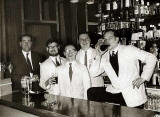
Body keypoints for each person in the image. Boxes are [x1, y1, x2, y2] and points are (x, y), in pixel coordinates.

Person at [87, 29, 157, 108]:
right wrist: (98, 55)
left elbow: (151, 58)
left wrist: (143, 77)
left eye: (110, 38)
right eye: (105, 39)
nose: (107, 41)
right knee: (91, 92)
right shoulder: (104, 56)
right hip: (117, 93)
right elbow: (93, 73)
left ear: (117, 39)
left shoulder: (129, 49)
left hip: (132, 94)